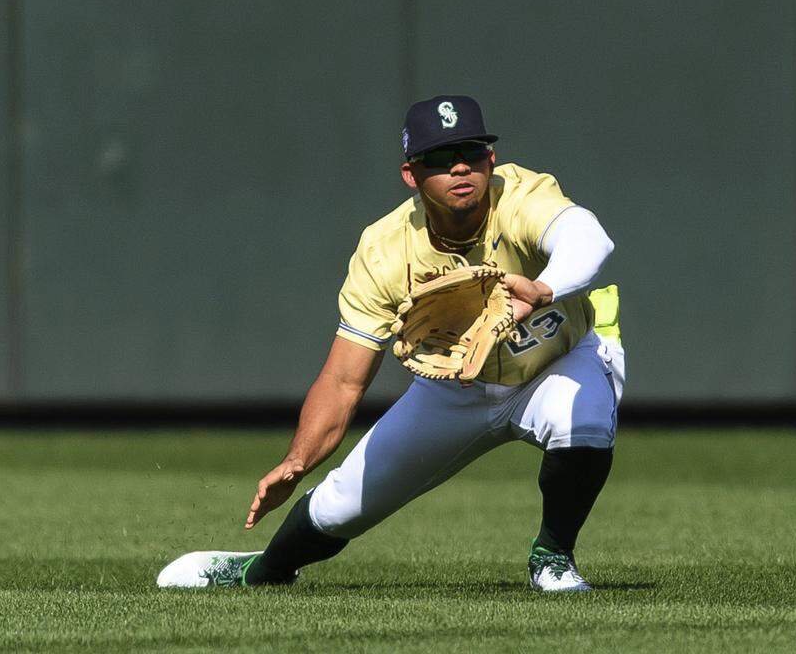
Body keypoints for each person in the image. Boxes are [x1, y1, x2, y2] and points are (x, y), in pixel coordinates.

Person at [157, 95, 624, 592]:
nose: (459, 166)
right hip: (457, 390)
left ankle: (552, 556)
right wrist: (298, 459)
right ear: (411, 175)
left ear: (491, 161)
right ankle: (261, 570)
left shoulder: (522, 194)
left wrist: (544, 287)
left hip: (559, 361)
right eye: (440, 159)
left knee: (585, 418)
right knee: (341, 506)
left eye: (471, 152)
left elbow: (589, 238)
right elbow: (342, 380)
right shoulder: (384, 250)